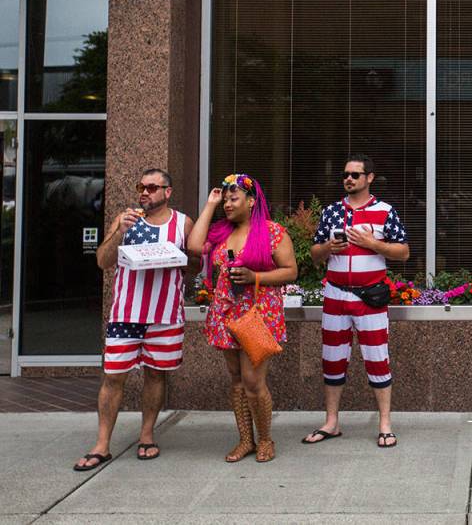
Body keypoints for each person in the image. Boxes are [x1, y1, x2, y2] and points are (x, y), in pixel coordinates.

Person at [74, 169, 193, 471]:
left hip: (165, 314)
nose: (145, 192)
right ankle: (102, 445)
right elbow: (103, 261)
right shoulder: (126, 219)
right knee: (113, 376)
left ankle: (147, 435)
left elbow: (195, 264)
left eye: (153, 187)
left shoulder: (182, 223)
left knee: (156, 375)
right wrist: (118, 232)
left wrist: (185, 256)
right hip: (126, 313)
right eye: (141, 186)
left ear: (168, 192)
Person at [187, 173, 297, 462]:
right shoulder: (221, 233)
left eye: (233, 198)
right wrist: (209, 204)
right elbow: (195, 247)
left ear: (251, 201)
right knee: (236, 379)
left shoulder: (273, 232)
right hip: (226, 313)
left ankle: (265, 440)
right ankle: (245, 440)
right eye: (224, 198)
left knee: (252, 381)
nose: (227, 203)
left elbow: (290, 271)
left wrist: (254, 276)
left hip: (258, 314)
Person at [302, 155, 410, 448]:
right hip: (335, 294)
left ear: (369, 178)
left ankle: (385, 423)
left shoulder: (385, 211)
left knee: (377, 359)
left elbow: (403, 252)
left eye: (355, 174)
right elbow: (313, 254)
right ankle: (331, 422)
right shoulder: (332, 211)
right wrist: (327, 247)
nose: (348, 179)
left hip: (369, 296)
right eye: (346, 174)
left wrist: (373, 244)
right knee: (332, 360)